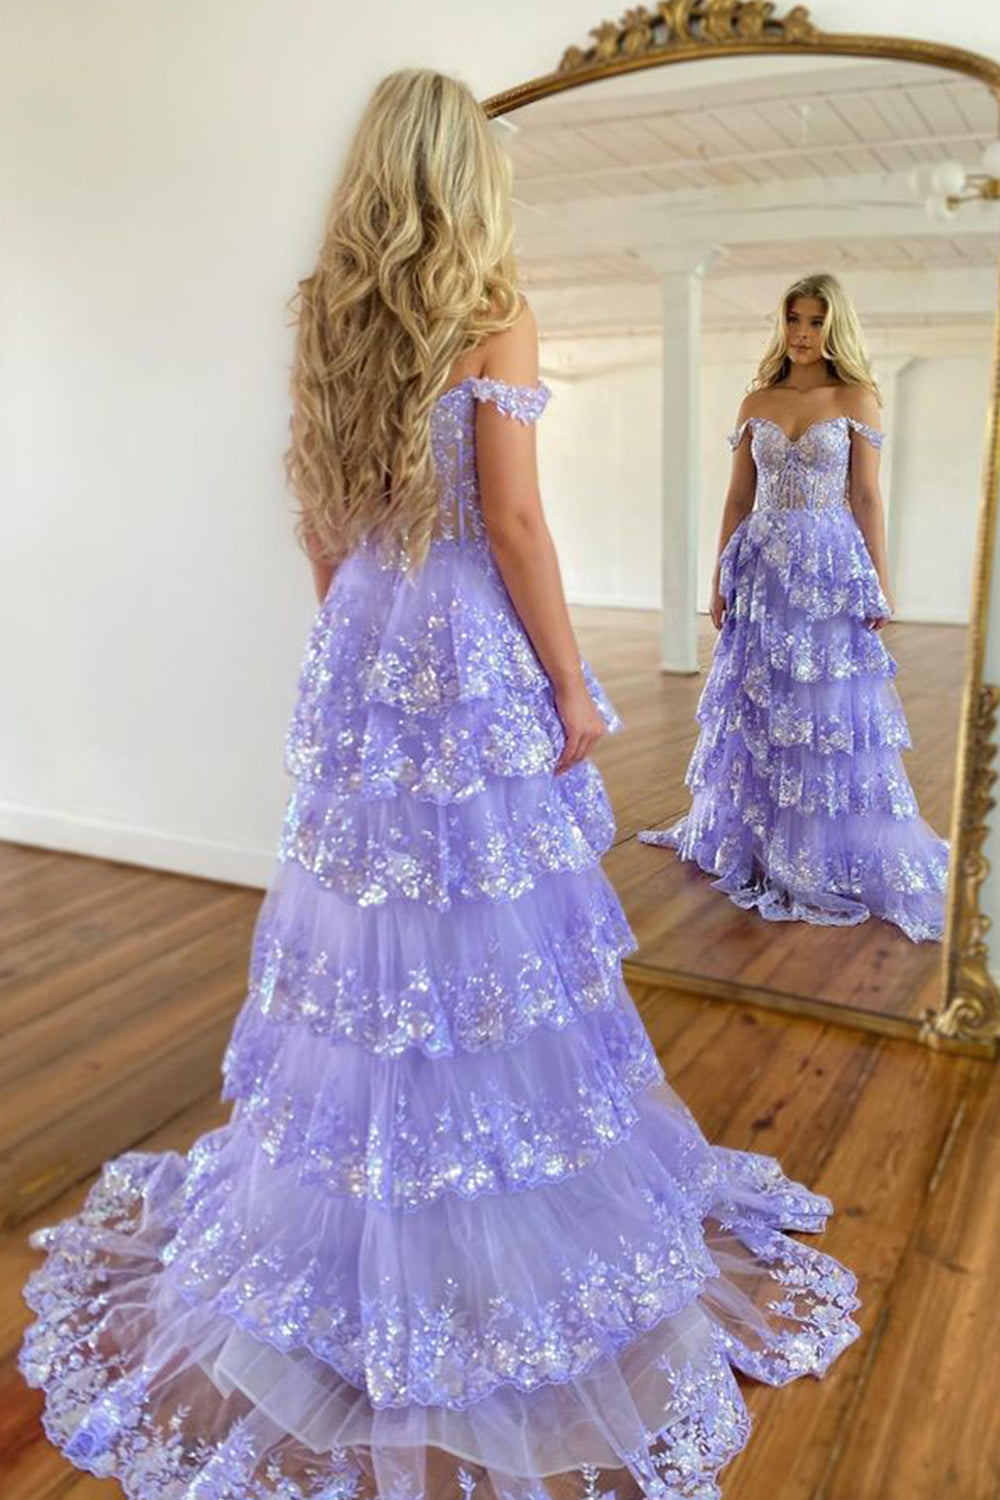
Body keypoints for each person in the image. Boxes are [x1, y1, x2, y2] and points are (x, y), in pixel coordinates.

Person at [18, 75, 860, 1500]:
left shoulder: (329, 311)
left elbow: (319, 509)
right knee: (483, 922)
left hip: (364, 622)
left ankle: (384, 1203)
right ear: (470, 179)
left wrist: (349, 626)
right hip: (463, 636)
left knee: (372, 929)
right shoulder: (492, 309)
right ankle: (469, 1213)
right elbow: (516, 518)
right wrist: (573, 684)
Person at [639, 272, 948, 943]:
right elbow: (736, 497)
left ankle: (820, 845)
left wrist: (880, 581)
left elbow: (866, 497)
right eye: (793, 320)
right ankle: (760, 837)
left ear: (834, 328)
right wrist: (719, 577)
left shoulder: (857, 397)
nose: (802, 334)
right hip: (762, 567)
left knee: (822, 704)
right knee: (762, 697)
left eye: (815, 321)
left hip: (828, 564)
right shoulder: (757, 399)